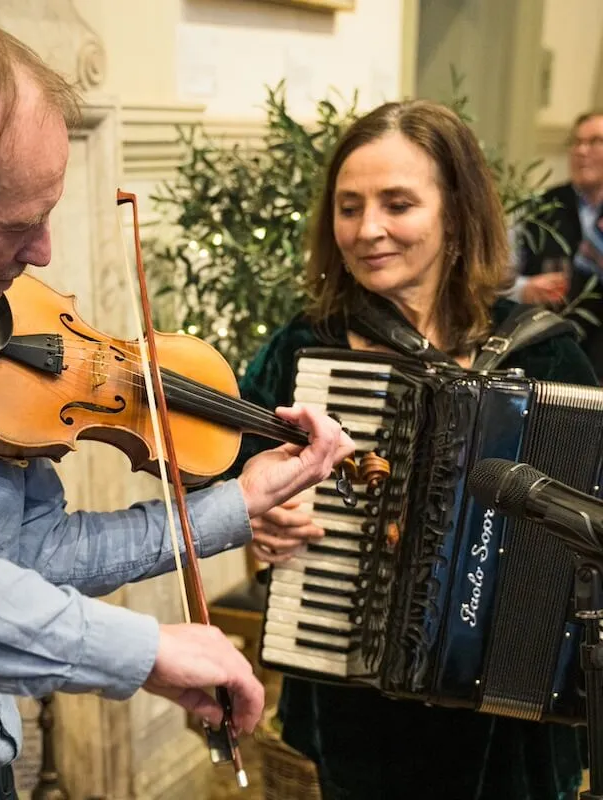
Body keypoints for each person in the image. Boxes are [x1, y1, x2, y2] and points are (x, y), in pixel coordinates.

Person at [0, 15, 355, 800]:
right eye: (18, 224)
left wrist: (235, 504)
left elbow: (35, 557)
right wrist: (142, 651)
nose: (45, 253)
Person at [224, 100, 597, 799]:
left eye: (398, 203)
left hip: (511, 726)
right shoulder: (305, 349)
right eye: (349, 206)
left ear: (455, 213)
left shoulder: (547, 353)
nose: (368, 230)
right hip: (359, 710)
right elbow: (228, 484)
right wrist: (258, 517)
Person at [518, 110, 603, 375]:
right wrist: (525, 288)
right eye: (576, 142)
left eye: (594, 142)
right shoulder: (543, 206)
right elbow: (502, 274)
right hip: (551, 354)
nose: (581, 151)